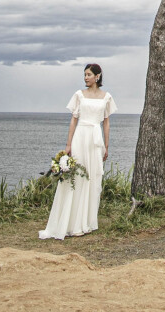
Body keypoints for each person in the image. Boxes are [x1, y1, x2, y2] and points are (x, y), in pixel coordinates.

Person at [39, 62, 117, 240]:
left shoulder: (107, 97)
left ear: (97, 76)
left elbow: (106, 122)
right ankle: (71, 223)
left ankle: (86, 222)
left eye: (89, 74)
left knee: (92, 177)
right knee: (76, 177)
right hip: (80, 137)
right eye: (85, 75)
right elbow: (73, 120)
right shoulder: (79, 95)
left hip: (95, 139)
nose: (85, 78)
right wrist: (68, 145)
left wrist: (106, 145)